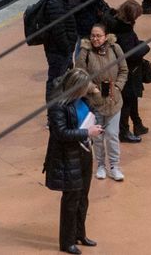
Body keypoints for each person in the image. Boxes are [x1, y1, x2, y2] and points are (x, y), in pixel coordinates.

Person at [45, 68, 103, 254]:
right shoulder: (57, 105)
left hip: (85, 153)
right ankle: (67, 241)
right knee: (71, 200)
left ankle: (80, 233)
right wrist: (87, 132)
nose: (88, 89)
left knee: (83, 198)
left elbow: (93, 112)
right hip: (68, 158)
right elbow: (60, 133)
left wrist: (95, 124)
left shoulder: (83, 99)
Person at [75, 24, 128, 181]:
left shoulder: (115, 48)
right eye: (92, 35)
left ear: (106, 36)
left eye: (98, 35)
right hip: (95, 102)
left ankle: (114, 166)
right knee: (97, 137)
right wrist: (93, 89)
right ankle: (100, 165)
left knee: (112, 134)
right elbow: (79, 75)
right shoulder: (85, 52)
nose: (95, 39)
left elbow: (124, 70)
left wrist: (117, 87)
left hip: (114, 101)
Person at [105, 0, 149, 143]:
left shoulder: (114, 23)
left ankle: (137, 124)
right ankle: (124, 131)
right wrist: (145, 46)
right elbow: (130, 53)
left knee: (132, 98)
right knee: (127, 100)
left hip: (123, 70)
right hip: (127, 72)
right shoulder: (124, 31)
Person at [43, 0, 79, 102]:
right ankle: (53, 116)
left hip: (62, 50)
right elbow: (58, 30)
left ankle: (60, 111)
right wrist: (67, 48)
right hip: (58, 51)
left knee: (60, 80)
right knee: (55, 82)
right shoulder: (55, 3)